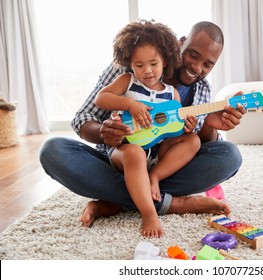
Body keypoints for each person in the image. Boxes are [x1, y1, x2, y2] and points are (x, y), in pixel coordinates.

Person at [39, 20, 245, 232]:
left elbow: (197, 146)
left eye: (208, 64)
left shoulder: (201, 89)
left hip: (163, 166)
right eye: (193, 55)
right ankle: (170, 203)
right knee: (53, 151)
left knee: (230, 156)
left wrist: (209, 126)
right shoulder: (130, 66)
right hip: (120, 157)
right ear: (181, 43)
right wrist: (104, 133)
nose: (197, 67)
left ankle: (122, 199)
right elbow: (84, 117)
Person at [95, 20, 201, 237]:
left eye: (153, 63)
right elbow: (101, 98)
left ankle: (154, 178)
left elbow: (171, 129)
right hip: (126, 151)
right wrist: (129, 104)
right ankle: (149, 213)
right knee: (134, 154)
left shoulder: (172, 94)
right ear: (130, 64)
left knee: (194, 141)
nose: (147, 71)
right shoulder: (128, 81)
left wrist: (187, 128)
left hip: (155, 154)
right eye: (139, 65)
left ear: (165, 60)